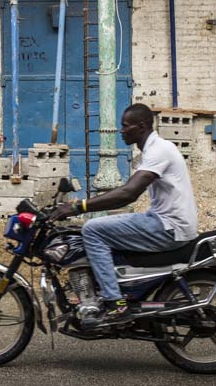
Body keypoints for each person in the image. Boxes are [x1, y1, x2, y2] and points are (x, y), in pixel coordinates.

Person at [49, 103, 198, 325]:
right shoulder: (153, 149)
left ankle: (115, 304)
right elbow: (125, 191)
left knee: (92, 229)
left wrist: (78, 207)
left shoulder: (159, 151)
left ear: (142, 126)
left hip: (168, 227)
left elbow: (129, 193)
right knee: (98, 227)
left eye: (125, 126)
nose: (121, 131)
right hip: (163, 220)